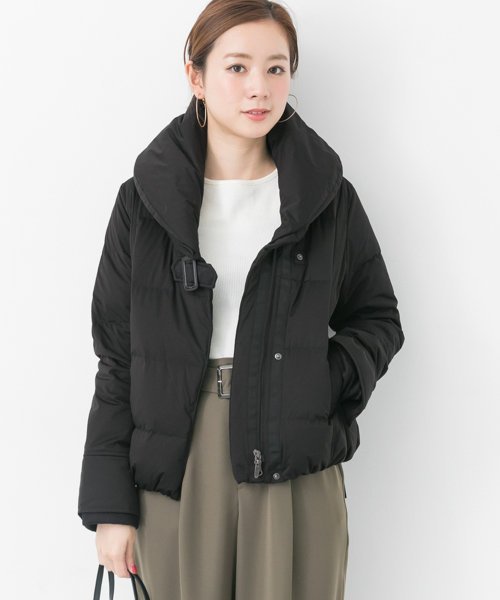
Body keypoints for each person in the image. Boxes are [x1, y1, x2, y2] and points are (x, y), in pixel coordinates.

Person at [77, 1, 405, 599]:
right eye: (237, 67)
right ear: (196, 77)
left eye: (276, 68)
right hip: (180, 461)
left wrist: (318, 384)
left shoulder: (326, 198)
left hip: (293, 460)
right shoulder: (143, 203)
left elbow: (377, 317)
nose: (260, 87)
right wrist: (109, 508)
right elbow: (118, 358)